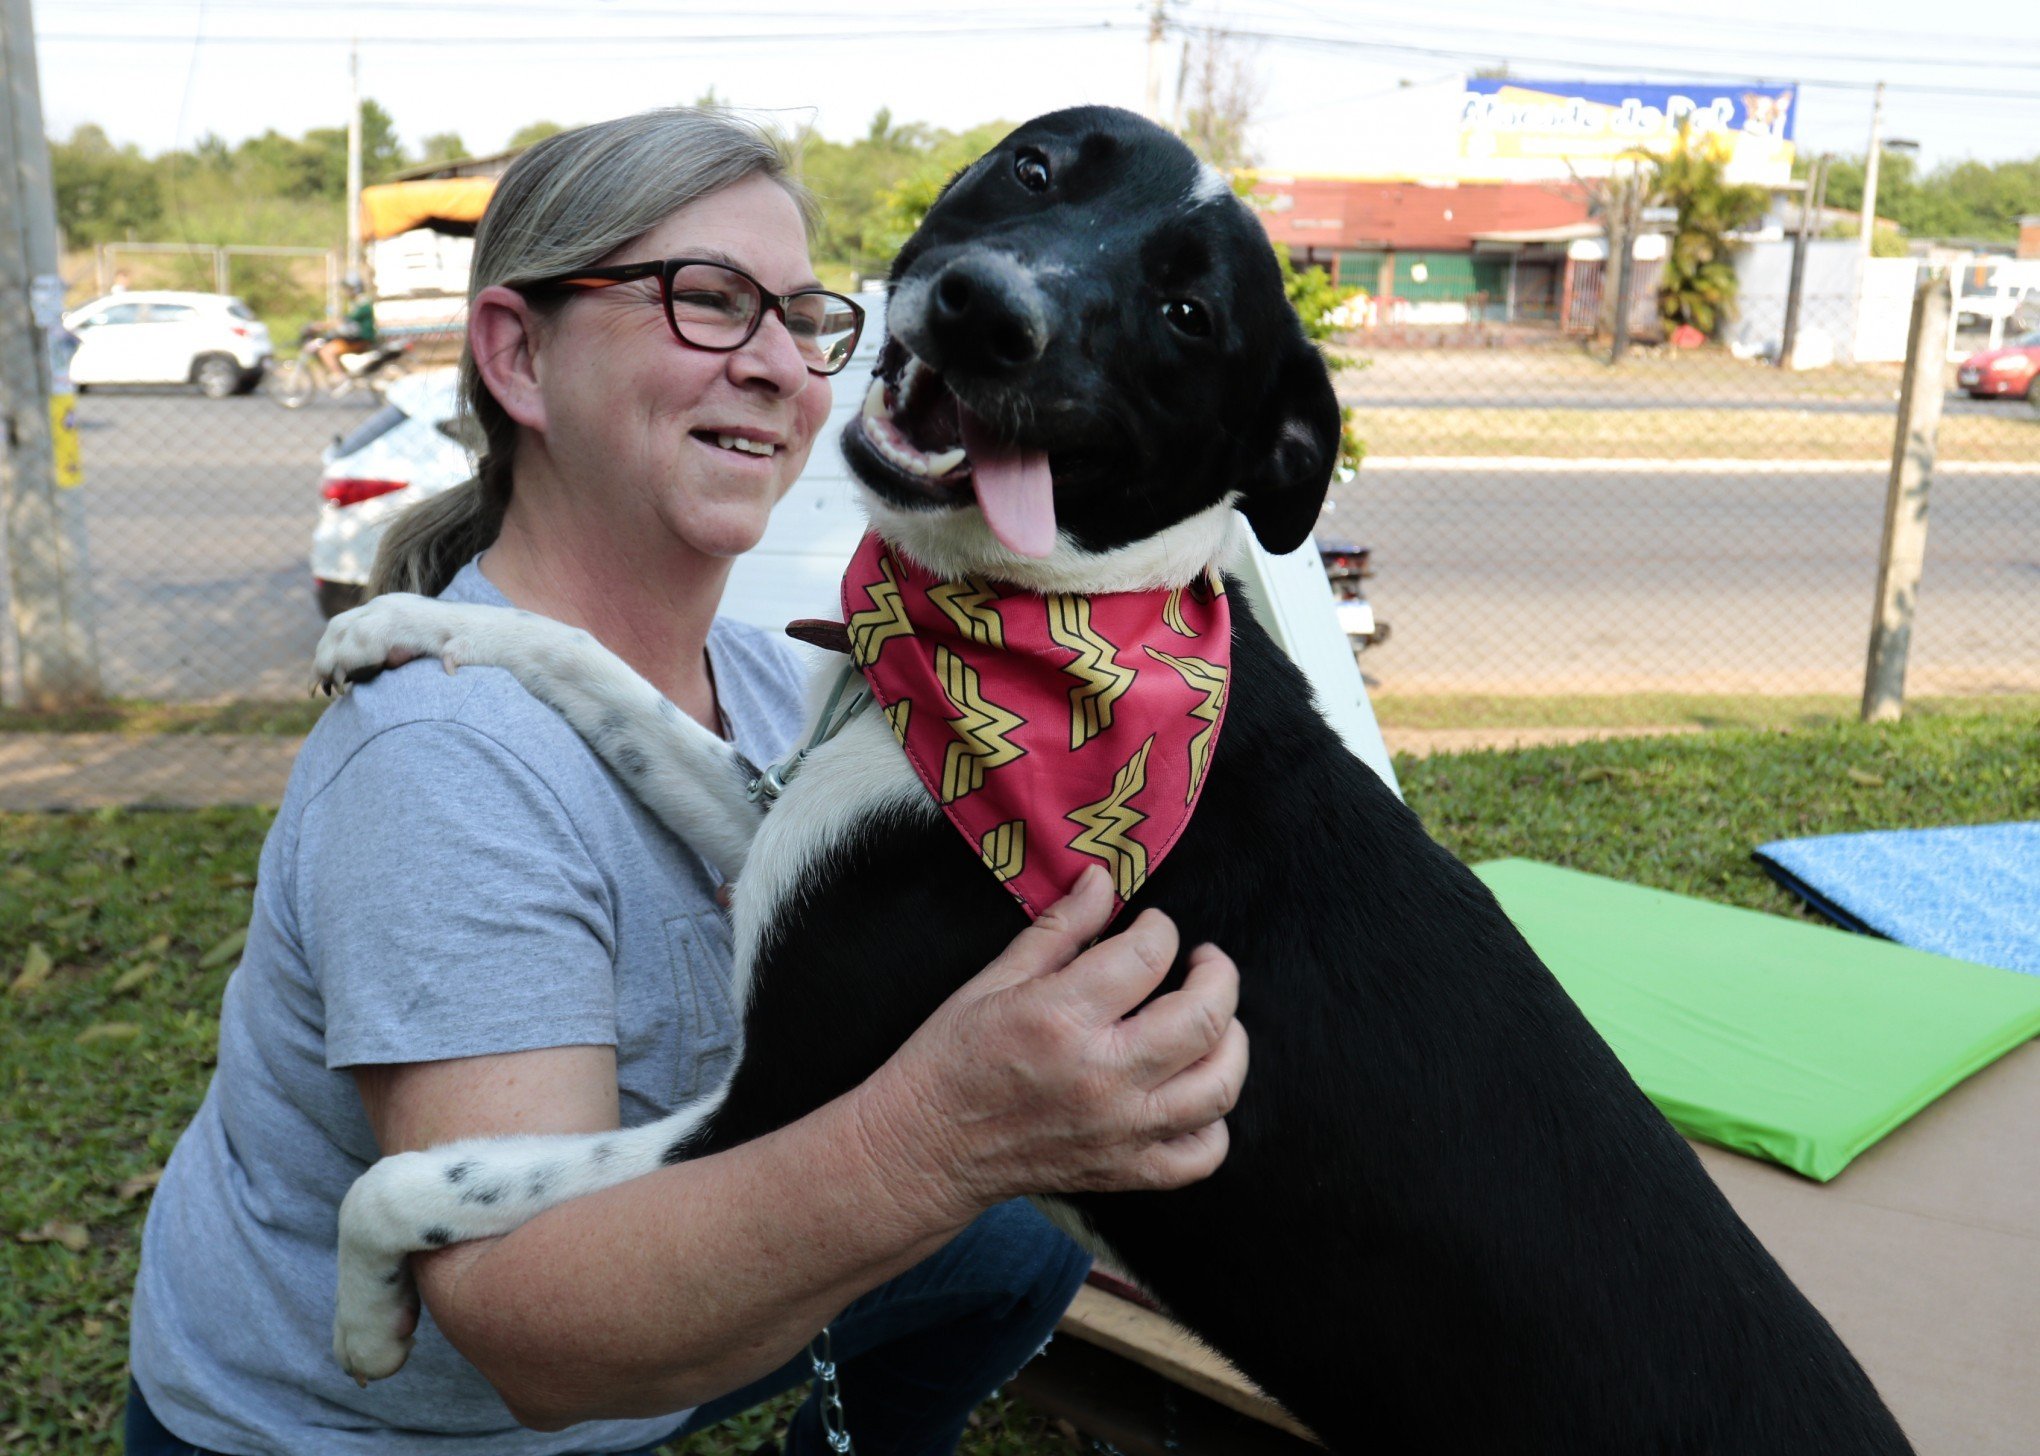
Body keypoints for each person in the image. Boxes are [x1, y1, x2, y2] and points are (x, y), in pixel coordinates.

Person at [125, 108, 1246, 1456]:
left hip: (628, 1344)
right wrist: (948, 1132)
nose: (782, 366)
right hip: (368, 1431)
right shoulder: (443, 767)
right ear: (518, 355)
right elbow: (530, 1329)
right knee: (974, 1203)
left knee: (1016, 1256)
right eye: (710, 303)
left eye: (804, 319)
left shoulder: (774, 685)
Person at [316, 280, 379, 378]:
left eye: (349, 289)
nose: (346, 292)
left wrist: (325, 325)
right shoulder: (359, 302)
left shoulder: (363, 303)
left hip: (362, 339)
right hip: (357, 338)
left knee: (326, 351)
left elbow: (347, 320)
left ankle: (339, 376)